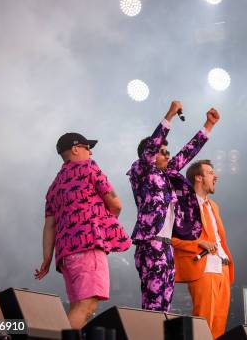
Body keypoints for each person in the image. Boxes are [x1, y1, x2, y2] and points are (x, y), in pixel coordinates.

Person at [128, 101, 218, 312]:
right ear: (149, 155)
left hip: (166, 246)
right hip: (150, 244)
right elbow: (151, 147)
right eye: (163, 152)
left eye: (168, 152)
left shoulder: (167, 174)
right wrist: (169, 115)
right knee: (153, 305)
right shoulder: (141, 171)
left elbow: (188, 152)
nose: (168, 156)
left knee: (165, 306)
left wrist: (208, 125)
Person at [35, 132, 132, 329]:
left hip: (66, 255)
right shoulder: (89, 168)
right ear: (75, 149)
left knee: (78, 306)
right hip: (88, 246)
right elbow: (116, 203)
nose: (91, 154)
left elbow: (49, 226)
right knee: (87, 305)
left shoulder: (54, 187)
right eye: (88, 148)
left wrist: (46, 258)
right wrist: (105, 224)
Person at [172, 160, 233, 339]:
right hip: (203, 266)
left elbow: (219, 237)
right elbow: (170, 238)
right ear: (198, 178)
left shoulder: (214, 206)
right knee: (203, 322)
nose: (216, 176)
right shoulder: (182, 204)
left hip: (223, 267)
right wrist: (198, 243)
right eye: (211, 173)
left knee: (219, 324)